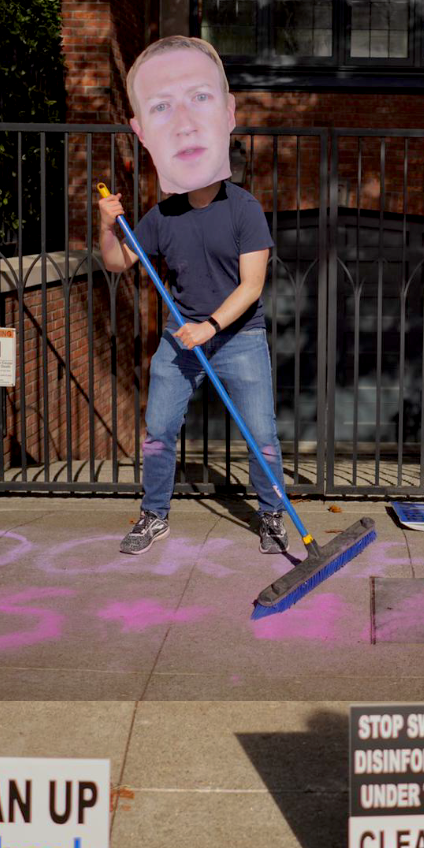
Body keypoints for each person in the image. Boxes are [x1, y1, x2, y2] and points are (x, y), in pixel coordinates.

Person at [97, 36, 288, 555]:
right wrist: (108, 225)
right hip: (181, 341)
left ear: (228, 113)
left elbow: (252, 286)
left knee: (261, 437)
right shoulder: (162, 217)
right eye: (162, 107)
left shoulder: (244, 209)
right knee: (158, 433)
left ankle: (273, 517)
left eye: (199, 98)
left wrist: (212, 326)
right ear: (144, 132)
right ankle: (153, 515)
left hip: (238, 338)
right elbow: (118, 262)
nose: (183, 122)